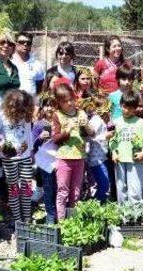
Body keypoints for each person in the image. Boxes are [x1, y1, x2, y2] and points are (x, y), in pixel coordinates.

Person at [51, 84, 93, 221]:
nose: (69, 103)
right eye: (64, 101)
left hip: (79, 157)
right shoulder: (57, 115)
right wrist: (66, 132)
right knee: (63, 191)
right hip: (64, 158)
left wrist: (85, 125)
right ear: (59, 103)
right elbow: (55, 139)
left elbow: (92, 133)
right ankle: (62, 222)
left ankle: (73, 220)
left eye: (71, 99)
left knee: (76, 192)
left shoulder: (81, 113)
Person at [0, 89, 34, 226]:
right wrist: (0, 143)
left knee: (27, 187)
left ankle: (27, 217)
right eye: (20, 111)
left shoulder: (26, 116)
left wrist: (32, 151)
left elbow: (29, 134)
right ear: (11, 107)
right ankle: (18, 220)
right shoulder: (0, 117)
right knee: (13, 188)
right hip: (9, 159)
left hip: (26, 156)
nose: (22, 114)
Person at [109, 91, 143, 204]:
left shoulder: (140, 122)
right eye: (124, 107)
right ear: (121, 105)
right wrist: (114, 152)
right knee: (121, 187)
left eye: (130, 108)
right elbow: (112, 140)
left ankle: (137, 214)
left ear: (135, 108)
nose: (127, 110)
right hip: (120, 159)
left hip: (135, 159)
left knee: (135, 187)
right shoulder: (116, 122)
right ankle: (124, 214)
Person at [32, 92, 58, 224]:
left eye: (52, 105)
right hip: (45, 162)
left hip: (59, 160)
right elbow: (32, 144)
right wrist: (39, 138)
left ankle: (59, 213)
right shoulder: (38, 125)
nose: (50, 108)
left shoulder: (59, 122)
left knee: (58, 188)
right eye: (47, 105)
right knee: (48, 189)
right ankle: (50, 215)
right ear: (42, 107)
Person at [87, 95, 112, 203]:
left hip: (101, 156)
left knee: (105, 183)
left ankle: (99, 204)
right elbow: (89, 137)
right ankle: (97, 204)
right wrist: (105, 137)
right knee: (104, 183)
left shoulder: (101, 119)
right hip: (96, 158)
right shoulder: (96, 120)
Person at [11, 31, 45, 97]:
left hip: (31, 104)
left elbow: (40, 86)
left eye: (28, 43)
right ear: (15, 44)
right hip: (12, 104)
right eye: (21, 42)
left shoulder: (37, 64)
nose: (25, 44)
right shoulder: (9, 62)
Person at [0, 28, 20, 97]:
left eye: (10, 43)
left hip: (12, 106)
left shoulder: (14, 68)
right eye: (2, 42)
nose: (6, 45)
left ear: (13, 48)